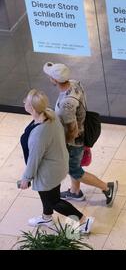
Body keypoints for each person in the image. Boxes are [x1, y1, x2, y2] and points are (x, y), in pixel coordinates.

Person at [19, 89, 94, 233]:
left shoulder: (39, 134)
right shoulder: (49, 113)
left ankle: (84, 221)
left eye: (26, 101)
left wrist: (26, 178)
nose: (24, 102)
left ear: (32, 108)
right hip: (56, 164)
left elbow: (34, 159)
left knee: (54, 201)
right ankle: (46, 217)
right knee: (47, 195)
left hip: (48, 171)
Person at [43, 62, 118, 206]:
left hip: (74, 141)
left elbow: (73, 130)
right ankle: (75, 192)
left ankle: (107, 188)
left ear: (55, 80)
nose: (48, 77)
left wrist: (64, 144)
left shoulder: (67, 104)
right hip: (82, 130)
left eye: (50, 76)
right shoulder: (75, 84)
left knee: (74, 170)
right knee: (73, 165)